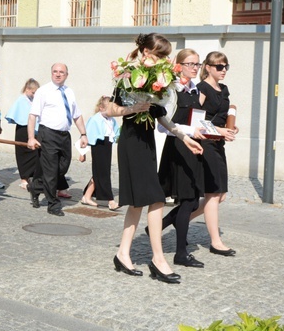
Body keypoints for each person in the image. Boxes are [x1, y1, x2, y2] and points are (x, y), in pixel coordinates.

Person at [106, 33, 203, 284]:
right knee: (156, 199)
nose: (164, 59)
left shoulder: (157, 79)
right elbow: (110, 109)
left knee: (138, 202)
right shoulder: (127, 76)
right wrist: (132, 109)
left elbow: (161, 116)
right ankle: (158, 260)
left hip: (147, 142)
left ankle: (122, 254)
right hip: (131, 141)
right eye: (161, 54)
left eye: (166, 55)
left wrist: (184, 137)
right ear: (147, 52)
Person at [156, 48, 207, 268]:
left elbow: (197, 119)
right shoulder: (172, 89)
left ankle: (156, 228)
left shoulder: (195, 90)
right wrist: (188, 131)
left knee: (194, 199)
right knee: (187, 200)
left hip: (194, 147)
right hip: (178, 147)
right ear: (179, 66)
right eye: (190, 64)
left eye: (197, 64)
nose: (195, 68)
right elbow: (163, 124)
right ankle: (181, 253)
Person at [190, 51, 238, 257]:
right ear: (208, 67)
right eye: (219, 67)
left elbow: (224, 116)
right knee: (213, 193)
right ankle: (215, 242)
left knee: (221, 195)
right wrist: (218, 131)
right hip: (206, 143)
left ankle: (174, 220)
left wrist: (232, 129)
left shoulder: (224, 89)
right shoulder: (201, 89)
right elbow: (194, 119)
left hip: (219, 144)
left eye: (226, 66)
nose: (224, 70)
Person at [27, 63, 87, 216]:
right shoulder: (43, 91)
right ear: (51, 73)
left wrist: (83, 134)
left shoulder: (69, 92)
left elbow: (76, 115)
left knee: (62, 168)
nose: (58, 74)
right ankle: (53, 204)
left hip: (64, 135)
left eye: (61, 72)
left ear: (67, 75)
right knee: (51, 171)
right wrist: (31, 138)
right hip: (48, 134)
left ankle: (36, 186)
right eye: (55, 71)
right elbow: (33, 115)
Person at [81, 96, 120, 210]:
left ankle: (87, 196)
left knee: (100, 173)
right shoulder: (95, 119)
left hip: (107, 145)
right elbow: (87, 136)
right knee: (103, 173)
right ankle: (110, 200)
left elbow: (116, 132)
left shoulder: (111, 120)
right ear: (101, 108)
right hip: (98, 146)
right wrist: (82, 153)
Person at [5, 78, 40, 190]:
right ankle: (24, 178)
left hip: (34, 129)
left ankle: (34, 176)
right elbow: (16, 114)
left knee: (35, 154)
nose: (34, 95)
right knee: (23, 154)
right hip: (23, 129)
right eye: (33, 92)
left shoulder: (35, 101)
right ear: (27, 89)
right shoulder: (21, 100)